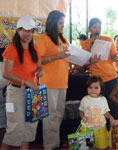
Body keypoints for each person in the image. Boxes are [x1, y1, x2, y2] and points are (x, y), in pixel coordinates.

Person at [1, 16, 43, 150]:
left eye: (32, 31)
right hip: (15, 92)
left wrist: (40, 71)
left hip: (33, 93)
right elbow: (6, 73)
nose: (29, 34)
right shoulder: (12, 49)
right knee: (15, 127)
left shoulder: (34, 48)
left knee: (30, 127)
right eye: (26, 31)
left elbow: (39, 66)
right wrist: (26, 82)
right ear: (18, 30)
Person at [36, 10, 70, 150]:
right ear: (52, 23)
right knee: (49, 116)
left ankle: (54, 142)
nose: (63, 26)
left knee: (59, 114)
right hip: (48, 83)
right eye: (60, 23)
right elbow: (37, 60)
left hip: (63, 82)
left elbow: (66, 56)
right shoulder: (43, 39)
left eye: (63, 23)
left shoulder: (63, 39)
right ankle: (51, 146)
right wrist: (57, 56)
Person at [81, 17, 118, 119]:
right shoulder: (85, 44)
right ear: (89, 29)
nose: (97, 29)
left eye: (99, 27)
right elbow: (85, 61)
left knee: (114, 105)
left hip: (111, 76)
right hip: (96, 79)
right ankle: (101, 130)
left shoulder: (108, 40)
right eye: (94, 27)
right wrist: (91, 46)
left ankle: (114, 128)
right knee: (98, 106)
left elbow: (114, 57)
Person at [79, 76, 114, 149]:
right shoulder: (84, 99)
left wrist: (111, 117)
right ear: (87, 88)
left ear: (101, 89)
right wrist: (83, 117)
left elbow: (106, 112)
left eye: (96, 88)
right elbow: (81, 110)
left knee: (102, 146)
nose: (93, 90)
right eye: (90, 88)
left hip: (100, 128)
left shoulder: (103, 99)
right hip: (87, 128)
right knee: (88, 147)